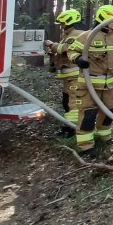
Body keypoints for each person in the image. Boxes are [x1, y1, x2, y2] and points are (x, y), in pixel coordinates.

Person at [67, 5, 113, 156]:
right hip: (89, 84)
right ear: (104, 18)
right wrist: (78, 59)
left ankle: (104, 136)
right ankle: (85, 147)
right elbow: (71, 50)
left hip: (109, 85)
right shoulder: (88, 36)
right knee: (88, 114)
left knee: (110, 110)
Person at [43, 9, 85, 137]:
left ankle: (73, 130)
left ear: (69, 21)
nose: (62, 26)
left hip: (75, 76)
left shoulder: (77, 34)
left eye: (63, 23)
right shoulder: (69, 34)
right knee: (67, 102)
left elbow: (64, 48)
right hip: (69, 77)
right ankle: (69, 126)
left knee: (73, 104)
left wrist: (51, 45)